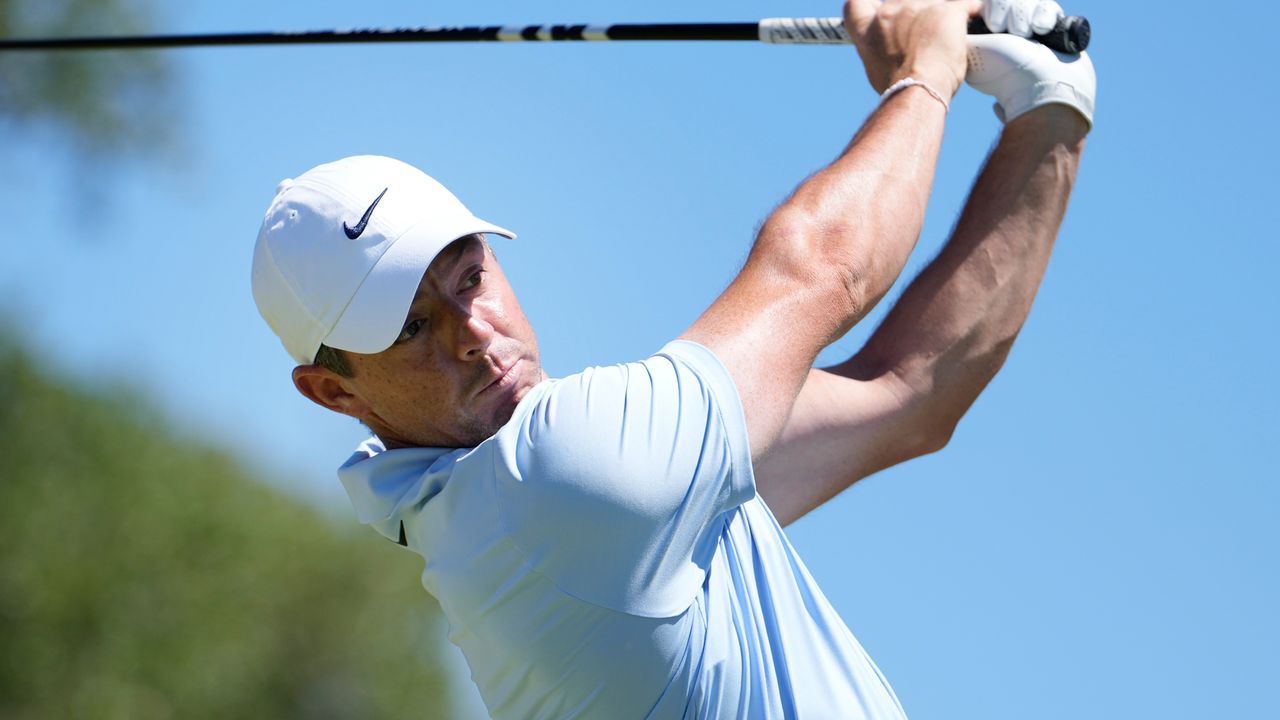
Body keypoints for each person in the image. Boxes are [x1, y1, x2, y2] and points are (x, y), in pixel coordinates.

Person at [249, 0, 1094, 716]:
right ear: (332, 391)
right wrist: (926, 66)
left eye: (470, 276)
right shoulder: (555, 485)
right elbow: (821, 267)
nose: (470, 332)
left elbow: (907, 395)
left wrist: (1049, 108)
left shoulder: (555, 508)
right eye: (408, 327)